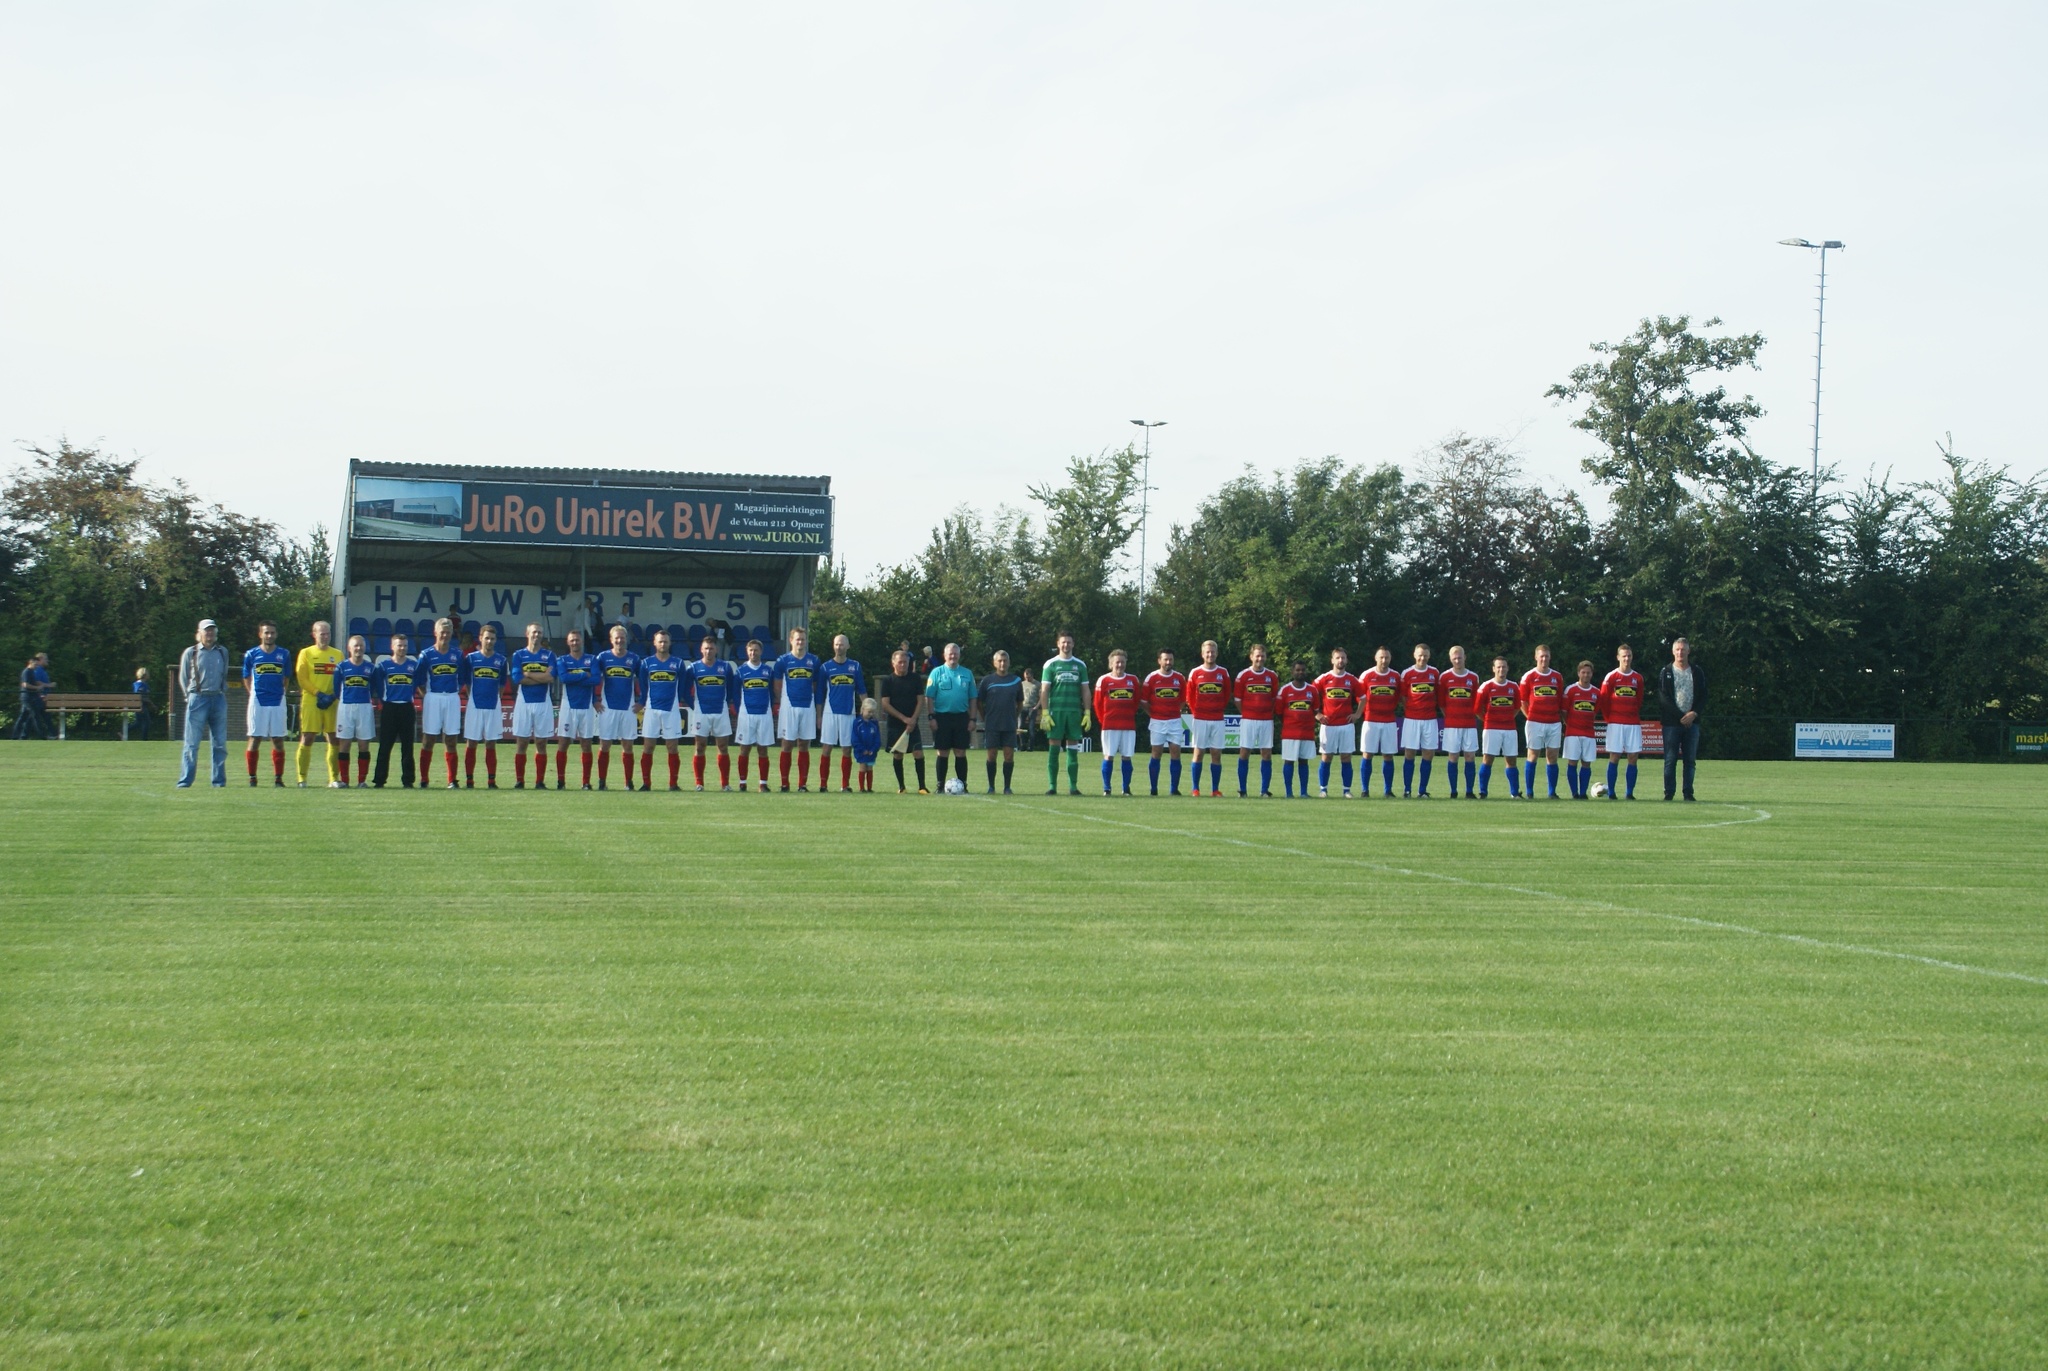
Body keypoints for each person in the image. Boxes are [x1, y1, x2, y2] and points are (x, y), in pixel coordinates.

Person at [176, 620, 230, 788]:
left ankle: (219, 782)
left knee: (220, 744)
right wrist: (188, 696)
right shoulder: (191, 652)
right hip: (198, 698)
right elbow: (183, 677)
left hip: (218, 698)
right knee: (192, 743)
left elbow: (224, 673)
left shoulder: (222, 652)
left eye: (212, 630)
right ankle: (185, 781)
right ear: (199, 633)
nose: (210, 633)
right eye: (206, 630)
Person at [415, 617, 467, 790]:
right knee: (428, 739)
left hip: (451, 697)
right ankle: (424, 779)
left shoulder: (457, 655)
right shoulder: (426, 655)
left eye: (448, 632)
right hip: (433, 697)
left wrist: (454, 691)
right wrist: (428, 696)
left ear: (452, 634)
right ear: (435, 633)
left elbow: (462, 678)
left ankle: (452, 780)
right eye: (442, 632)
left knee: (451, 739)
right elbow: (419, 680)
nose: (445, 635)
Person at [293, 621, 344, 787]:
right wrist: (318, 693)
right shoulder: (306, 653)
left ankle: (333, 779)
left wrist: (333, 695)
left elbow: (342, 678)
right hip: (312, 700)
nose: (325, 637)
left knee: (334, 738)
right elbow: (302, 678)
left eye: (328, 633)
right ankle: (302, 779)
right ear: (314, 634)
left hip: (332, 701)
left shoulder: (337, 654)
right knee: (308, 737)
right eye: (322, 634)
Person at [684, 635, 738, 791]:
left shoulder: (725, 667)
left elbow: (731, 689)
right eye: (706, 648)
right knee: (700, 746)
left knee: (723, 746)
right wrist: (694, 706)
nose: (708, 651)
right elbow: (685, 691)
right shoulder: (693, 668)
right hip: (701, 712)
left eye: (711, 648)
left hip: (720, 712)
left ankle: (725, 784)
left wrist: (725, 703)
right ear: (701, 650)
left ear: (717, 650)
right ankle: (699, 783)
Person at [242, 622, 292, 786]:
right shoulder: (251, 654)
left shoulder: (284, 654)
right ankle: (252, 778)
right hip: (258, 701)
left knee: (278, 739)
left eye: (272, 633)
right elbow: (246, 677)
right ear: (260, 634)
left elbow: (286, 678)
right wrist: (253, 693)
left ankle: (278, 778)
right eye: (266, 632)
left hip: (277, 701)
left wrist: (280, 692)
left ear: (276, 634)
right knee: (255, 738)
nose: (269, 636)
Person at [773, 627, 823, 791]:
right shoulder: (783, 661)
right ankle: (784, 783)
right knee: (787, 744)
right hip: (789, 707)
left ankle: (802, 784)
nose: (800, 642)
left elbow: (815, 685)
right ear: (791, 641)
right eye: (797, 639)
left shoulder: (814, 661)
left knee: (804, 745)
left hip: (807, 706)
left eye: (802, 639)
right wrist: (783, 703)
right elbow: (777, 686)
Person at [1038, 633, 1089, 795]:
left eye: (1069, 642)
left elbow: (1085, 690)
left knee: (1073, 749)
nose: (1066, 645)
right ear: (1058, 644)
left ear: (1073, 644)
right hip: (1056, 712)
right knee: (1054, 748)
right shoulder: (1050, 664)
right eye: (1063, 642)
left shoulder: (1080, 665)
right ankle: (1052, 786)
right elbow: (1044, 690)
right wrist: (1045, 712)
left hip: (1074, 712)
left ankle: (1073, 787)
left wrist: (1087, 712)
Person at [509, 624, 558, 789]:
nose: (536, 635)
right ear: (527, 633)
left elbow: (551, 678)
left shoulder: (549, 655)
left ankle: (540, 781)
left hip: (543, 702)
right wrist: (541, 676)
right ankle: (520, 781)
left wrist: (529, 674)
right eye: (534, 632)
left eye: (539, 632)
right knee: (522, 742)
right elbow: (517, 678)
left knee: (541, 743)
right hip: (524, 702)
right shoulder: (519, 655)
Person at [638, 630, 687, 791]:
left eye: (665, 641)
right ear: (654, 643)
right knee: (648, 747)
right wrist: (642, 702)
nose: (663, 644)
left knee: (672, 747)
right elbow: (643, 687)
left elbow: (682, 687)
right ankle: (646, 783)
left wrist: (677, 701)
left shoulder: (678, 663)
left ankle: (673, 784)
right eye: (660, 641)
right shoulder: (646, 663)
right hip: (652, 709)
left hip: (671, 710)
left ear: (670, 643)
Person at [817, 636, 867, 793]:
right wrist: (819, 715)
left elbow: (861, 690)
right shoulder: (825, 667)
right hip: (830, 713)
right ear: (833, 646)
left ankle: (845, 785)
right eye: (837, 644)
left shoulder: (855, 666)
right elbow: (819, 694)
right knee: (827, 748)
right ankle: (823, 785)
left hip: (848, 713)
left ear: (848, 646)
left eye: (842, 644)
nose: (839, 647)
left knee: (847, 749)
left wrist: (867, 711)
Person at [924, 642, 976, 792]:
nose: (953, 656)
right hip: (942, 717)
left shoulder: (967, 673)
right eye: (950, 654)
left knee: (960, 751)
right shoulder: (936, 672)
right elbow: (929, 696)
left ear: (959, 655)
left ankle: (963, 785)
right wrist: (931, 717)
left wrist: (972, 719)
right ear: (944, 655)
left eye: (955, 653)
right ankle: (940, 786)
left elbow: (973, 697)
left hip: (961, 717)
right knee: (942, 751)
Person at [593, 624, 640, 790]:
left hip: (628, 708)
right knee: (605, 745)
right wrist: (594, 700)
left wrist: (641, 701)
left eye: (622, 637)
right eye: (617, 638)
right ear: (611, 640)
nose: (620, 640)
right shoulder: (603, 657)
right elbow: (593, 679)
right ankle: (602, 782)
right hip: (607, 708)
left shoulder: (634, 659)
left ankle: (628, 782)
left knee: (628, 746)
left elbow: (644, 681)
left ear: (626, 639)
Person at [370, 634, 420, 788]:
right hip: (390, 708)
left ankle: (408, 780)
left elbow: (417, 684)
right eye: (399, 645)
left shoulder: (413, 665)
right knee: (385, 745)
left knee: (407, 746)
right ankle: (379, 780)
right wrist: (383, 702)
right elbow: (378, 686)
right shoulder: (383, 666)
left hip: (407, 708)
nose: (402, 648)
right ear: (392, 647)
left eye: (405, 645)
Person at [1658, 637, 1705, 801]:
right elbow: (1663, 698)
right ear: (1673, 651)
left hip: (1692, 723)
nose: (1680, 652)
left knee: (1690, 761)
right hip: (1671, 724)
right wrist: (1681, 716)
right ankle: (1669, 793)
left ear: (1688, 651)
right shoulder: (1666, 671)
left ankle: (1688, 793)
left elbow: (1703, 696)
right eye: (1677, 649)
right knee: (1670, 760)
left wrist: (1694, 714)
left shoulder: (1697, 671)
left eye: (1683, 649)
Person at [462, 625, 509, 788]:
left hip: (493, 705)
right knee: (472, 742)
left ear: (496, 640)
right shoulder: (471, 659)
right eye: (486, 638)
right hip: (475, 705)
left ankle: (491, 781)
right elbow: (467, 683)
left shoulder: (501, 660)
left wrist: (495, 698)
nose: (489, 641)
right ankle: (469, 780)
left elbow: (502, 685)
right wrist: (473, 697)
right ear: (480, 638)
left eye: (492, 639)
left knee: (490, 743)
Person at [553, 629, 600, 789]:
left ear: (582, 641)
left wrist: (575, 678)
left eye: (577, 640)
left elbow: (596, 679)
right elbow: (564, 678)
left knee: (586, 744)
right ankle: (561, 781)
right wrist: (584, 675)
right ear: (568, 642)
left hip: (586, 707)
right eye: (572, 640)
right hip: (568, 706)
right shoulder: (562, 660)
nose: (575, 643)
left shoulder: (591, 659)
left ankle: (586, 782)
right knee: (563, 743)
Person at [877, 647, 928, 794]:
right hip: (895, 724)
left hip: (913, 723)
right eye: (900, 662)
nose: (903, 665)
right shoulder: (888, 681)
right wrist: (904, 719)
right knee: (898, 754)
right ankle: (901, 787)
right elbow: (885, 704)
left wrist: (913, 719)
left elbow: (920, 700)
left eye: (905, 662)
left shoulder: (915, 678)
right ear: (893, 663)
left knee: (918, 753)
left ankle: (922, 787)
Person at [1600, 643, 1646, 801]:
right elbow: (1604, 700)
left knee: (1633, 757)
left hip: (1632, 723)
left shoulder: (1638, 678)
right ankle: (1611, 792)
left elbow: (1639, 700)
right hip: (1615, 723)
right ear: (1618, 657)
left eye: (1629, 656)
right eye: (1624, 656)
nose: (1627, 659)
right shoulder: (1611, 677)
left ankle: (1629, 793)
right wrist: (1610, 719)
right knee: (1615, 756)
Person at [1185, 640, 1232, 797]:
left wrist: (1218, 708)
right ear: (1202, 654)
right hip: (1200, 718)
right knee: (1198, 753)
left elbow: (1226, 694)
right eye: (1207, 652)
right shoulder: (1195, 672)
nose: (1210, 654)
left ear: (1216, 653)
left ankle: (1215, 789)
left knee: (1216, 754)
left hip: (1217, 719)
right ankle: (1195, 789)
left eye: (1212, 652)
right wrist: (1196, 711)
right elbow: (1189, 696)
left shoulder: (1223, 672)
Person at [1312, 649, 1361, 798]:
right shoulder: (1324, 678)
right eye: (1338, 658)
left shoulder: (1352, 679)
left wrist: (1357, 714)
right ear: (1332, 660)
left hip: (1346, 725)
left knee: (1346, 757)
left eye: (1343, 658)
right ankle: (1323, 790)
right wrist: (1317, 714)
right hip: (1328, 725)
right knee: (1326, 757)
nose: (1340, 660)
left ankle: (1346, 790)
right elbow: (1310, 694)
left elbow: (1363, 698)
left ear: (1346, 660)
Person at [975, 649, 1023, 794]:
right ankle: (991, 787)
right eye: (1000, 661)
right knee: (991, 755)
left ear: (1009, 663)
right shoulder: (987, 681)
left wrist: (1014, 716)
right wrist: (985, 717)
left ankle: (1007, 787)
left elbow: (1020, 703)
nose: (1002, 663)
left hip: (1009, 724)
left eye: (1005, 661)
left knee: (1009, 755)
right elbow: (979, 702)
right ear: (994, 663)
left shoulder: (1016, 681)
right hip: (992, 724)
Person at [1233, 644, 1278, 798]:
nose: (1260, 659)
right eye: (1257, 656)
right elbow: (1237, 700)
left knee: (1266, 753)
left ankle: (1264, 790)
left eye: (1262, 656)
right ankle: (1242, 789)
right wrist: (1247, 713)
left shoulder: (1272, 676)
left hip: (1266, 720)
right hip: (1248, 720)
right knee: (1244, 752)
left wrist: (1265, 711)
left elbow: (1274, 698)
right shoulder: (1243, 676)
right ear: (1251, 657)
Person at [1520, 644, 1565, 800]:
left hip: (1553, 722)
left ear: (1550, 657)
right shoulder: (1529, 676)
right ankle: (1529, 792)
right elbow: (1522, 701)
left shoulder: (1557, 677)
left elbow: (1559, 699)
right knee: (1533, 755)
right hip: (1534, 722)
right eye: (1541, 656)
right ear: (1536, 657)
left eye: (1546, 656)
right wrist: (1530, 717)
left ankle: (1552, 792)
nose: (1544, 659)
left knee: (1552, 756)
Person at [1092, 649, 1140, 796]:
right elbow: (1097, 704)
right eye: (1117, 662)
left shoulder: (1133, 680)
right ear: (1111, 664)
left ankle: (1126, 788)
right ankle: (1107, 788)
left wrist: (1128, 715)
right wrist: (1103, 720)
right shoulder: (1104, 680)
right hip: (1109, 726)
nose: (1120, 665)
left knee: (1127, 756)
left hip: (1128, 725)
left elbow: (1136, 702)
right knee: (1108, 755)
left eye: (1122, 662)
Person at [332, 637, 378, 787]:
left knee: (363, 744)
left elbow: (374, 688)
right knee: (344, 744)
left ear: (364, 648)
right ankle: (345, 780)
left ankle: (361, 781)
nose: (358, 649)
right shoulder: (341, 667)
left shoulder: (371, 668)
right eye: (355, 646)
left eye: (361, 646)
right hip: (346, 707)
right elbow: (336, 689)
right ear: (349, 648)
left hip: (364, 707)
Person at [733, 639, 779, 791]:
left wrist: (770, 708)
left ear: (761, 652)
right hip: (746, 714)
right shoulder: (741, 671)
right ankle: (742, 783)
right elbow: (735, 694)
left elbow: (771, 692)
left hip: (764, 714)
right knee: (744, 749)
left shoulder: (768, 671)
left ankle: (763, 784)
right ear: (747, 652)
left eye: (756, 650)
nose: (753, 653)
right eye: (751, 650)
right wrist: (739, 710)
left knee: (763, 749)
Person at [1141, 649, 1187, 796]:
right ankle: (1154, 789)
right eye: (1165, 659)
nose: (1168, 662)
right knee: (1156, 753)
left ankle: (1174, 789)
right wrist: (1154, 714)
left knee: (1176, 752)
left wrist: (1175, 711)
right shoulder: (1151, 678)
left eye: (1170, 660)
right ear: (1159, 661)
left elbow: (1183, 699)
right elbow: (1143, 701)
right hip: (1157, 721)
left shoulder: (1179, 678)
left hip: (1174, 721)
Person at [1475, 656, 1523, 798]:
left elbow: (1517, 707)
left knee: (1511, 760)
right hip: (1491, 728)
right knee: (1488, 759)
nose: (1501, 669)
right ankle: (1483, 792)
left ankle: (1514, 793)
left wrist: (1507, 718)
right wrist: (1488, 720)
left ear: (1507, 669)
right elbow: (1477, 709)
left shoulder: (1513, 686)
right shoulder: (1486, 686)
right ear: (1493, 669)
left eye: (1504, 667)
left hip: (1509, 728)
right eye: (1499, 667)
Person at [1398, 643, 1441, 799]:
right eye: (1420, 655)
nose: (1422, 658)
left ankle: (1422, 790)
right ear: (1415, 655)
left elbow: (1437, 695)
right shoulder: (1407, 673)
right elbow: (1403, 697)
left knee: (1428, 754)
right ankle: (1407, 790)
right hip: (1412, 719)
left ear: (1429, 656)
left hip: (1430, 719)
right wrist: (1411, 710)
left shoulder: (1434, 673)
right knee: (1409, 753)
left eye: (1425, 655)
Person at [1438, 645, 1481, 799]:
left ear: (1465, 657)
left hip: (1469, 724)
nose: (1457, 660)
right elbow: (1442, 703)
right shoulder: (1444, 677)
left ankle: (1469, 791)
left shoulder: (1473, 677)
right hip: (1452, 725)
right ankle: (1453, 791)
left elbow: (1476, 701)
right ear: (1451, 659)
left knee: (1470, 756)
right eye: (1455, 658)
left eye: (1460, 658)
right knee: (1453, 757)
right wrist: (1451, 716)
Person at [1358, 646, 1401, 798]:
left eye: (1386, 657)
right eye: (1381, 657)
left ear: (1390, 659)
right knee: (1367, 754)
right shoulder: (1366, 675)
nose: (1384, 660)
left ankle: (1388, 790)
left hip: (1389, 721)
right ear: (1375, 658)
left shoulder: (1395, 676)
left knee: (1388, 755)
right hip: (1371, 720)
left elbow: (1398, 696)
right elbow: (1359, 696)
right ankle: (1365, 790)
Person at [1275, 660, 1317, 798]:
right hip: (1290, 733)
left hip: (1306, 733)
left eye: (1303, 670)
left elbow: (1315, 709)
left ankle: (1303, 792)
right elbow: (1279, 712)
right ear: (1292, 672)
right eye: (1298, 670)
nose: (1300, 672)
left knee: (1304, 761)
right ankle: (1289, 792)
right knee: (1289, 761)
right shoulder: (1285, 690)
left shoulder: (1312, 690)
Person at [1563, 661, 1601, 799]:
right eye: (1583, 672)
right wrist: (1570, 725)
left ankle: (1583, 793)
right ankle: (1574, 793)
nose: (1586, 675)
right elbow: (1564, 712)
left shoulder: (1596, 692)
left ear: (1592, 674)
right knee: (1572, 762)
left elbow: (1594, 711)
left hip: (1589, 733)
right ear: (1578, 673)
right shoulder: (1570, 690)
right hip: (1573, 733)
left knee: (1586, 763)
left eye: (1588, 673)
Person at [14, 652, 53, 739]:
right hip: (28, 697)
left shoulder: (31, 672)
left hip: (31, 697)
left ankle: (17, 736)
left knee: (23, 717)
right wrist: (37, 688)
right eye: (35, 664)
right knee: (35, 716)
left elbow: (34, 682)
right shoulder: (26, 672)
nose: (36, 666)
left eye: (37, 665)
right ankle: (42, 736)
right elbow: (25, 684)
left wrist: (40, 688)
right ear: (30, 663)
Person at [851, 698, 882, 792]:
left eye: (872, 712)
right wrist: (862, 749)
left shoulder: (874, 723)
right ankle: (861, 788)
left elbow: (877, 738)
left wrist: (874, 749)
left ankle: (869, 788)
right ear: (863, 710)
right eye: (869, 711)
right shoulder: (857, 723)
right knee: (863, 767)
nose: (870, 714)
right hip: (861, 751)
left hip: (871, 751)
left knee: (870, 767)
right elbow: (855, 739)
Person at [1019, 668, 1041, 751]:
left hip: (1032, 707)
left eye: (1028, 677)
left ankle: (1030, 747)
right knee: (1020, 727)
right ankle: (1022, 745)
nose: (1027, 679)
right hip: (1023, 707)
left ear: (1032, 675)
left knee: (1031, 728)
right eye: (1025, 677)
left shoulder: (1037, 684)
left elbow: (1041, 697)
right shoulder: (1022, 684)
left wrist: (1037, 706)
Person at [131, 667, 153, 742]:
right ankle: (144, 739)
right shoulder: (140, 685)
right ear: (145, 675)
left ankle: (123, 731)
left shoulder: (140, 684)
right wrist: (151, 704)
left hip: (140, 705)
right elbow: (140, 696)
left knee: (138, 722)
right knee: (147, 722)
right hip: (141, 705)